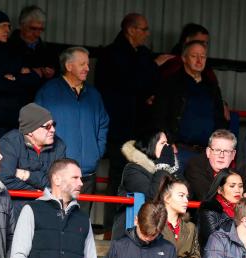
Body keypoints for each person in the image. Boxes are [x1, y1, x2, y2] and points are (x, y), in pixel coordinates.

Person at [95, 13, 172, 208]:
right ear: (131, 30)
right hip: (118, 125)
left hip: (141, 128)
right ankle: (111, 227)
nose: (147, 34)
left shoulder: (143, 54)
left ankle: (139, 223)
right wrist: (154, 67)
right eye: (144, 29)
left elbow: (151, 84)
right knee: (118, 174)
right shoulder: (111, 55)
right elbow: (129, 83)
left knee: (141, 174)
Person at [35, 46, 109, 214]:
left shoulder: (94, 95)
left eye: (88, 64)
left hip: (87, 173)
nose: (88, 68)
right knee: (57, 222)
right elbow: (36, 128)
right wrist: (50, 157)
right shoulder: (48, 92)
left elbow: (103, 124)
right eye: (83, 64)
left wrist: (97, 151)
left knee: (81, 224)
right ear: (69, 66)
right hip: (59, 172)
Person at [152, 40, 226, 170]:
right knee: (175, 189)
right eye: (194, 56)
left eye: (202, 56)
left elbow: (220, 120)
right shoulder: (171, 83)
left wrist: (218, 147)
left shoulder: (211, 87)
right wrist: (168, 142)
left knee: (204, 190)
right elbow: (159, 116)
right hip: (178, 151)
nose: (199, 60)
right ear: (184, 58)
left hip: (206, 154)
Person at [0, 8, 42, 136]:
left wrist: (14, 78)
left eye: (9, 26)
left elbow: (34, 79)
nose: (7, 30)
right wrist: (21, 75)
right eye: (3, 26)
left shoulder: (14, 49)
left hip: (17, 120)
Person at [112, 130, 178, 238]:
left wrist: (174, 168)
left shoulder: (165, 168)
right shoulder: (133, 169)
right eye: (162, 143)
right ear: (150, 145)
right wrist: (163, 166)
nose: (167, 147)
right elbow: (150, 197)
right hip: (132, 234)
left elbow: (184, 191)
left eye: (167, 143)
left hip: (157, 230)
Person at [0, 103, 66, 192]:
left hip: (47, 203)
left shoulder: (59, 145)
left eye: (53, 124)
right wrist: (35, 191)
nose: (53, 129)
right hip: (15, 203)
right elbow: (3, 180)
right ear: (30, 131)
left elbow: (59, 182)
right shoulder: (9, 143)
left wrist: (26, 175)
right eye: (47, 127)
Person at [184, 129, 246, 200]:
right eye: (217, 150)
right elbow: (206, 197)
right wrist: (243, 197)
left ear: (233, 154)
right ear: (208, 152)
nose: (221, 155)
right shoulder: (196, 165)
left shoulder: (242, 169)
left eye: (226, 151)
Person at [8, 5, 59, 99]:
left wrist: (51, 74)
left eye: (41, 29)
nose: (37, 34)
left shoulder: (47, 51)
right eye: (33, 29)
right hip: (15, 101)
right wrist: (34, 72)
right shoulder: (8, 47)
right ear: (22, 25)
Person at [197, 168, 244, 255]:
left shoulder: (245, 209)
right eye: (232, 186)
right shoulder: (209, 209)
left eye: (240, 186)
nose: (238, 190)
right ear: (219, 190)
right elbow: (214, 243)